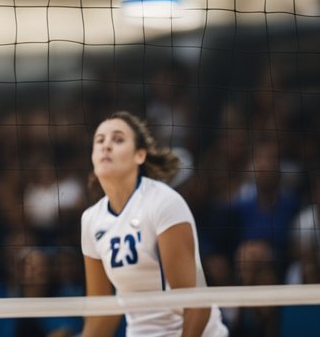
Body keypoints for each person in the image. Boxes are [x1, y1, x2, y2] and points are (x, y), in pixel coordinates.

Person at [79, 112, 227, 337]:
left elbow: (197, 305)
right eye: (99, 140)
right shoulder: (91, 220)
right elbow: (102, 315)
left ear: (139, 155)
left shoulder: (163, 203)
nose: (106, 146)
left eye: (118, 139)